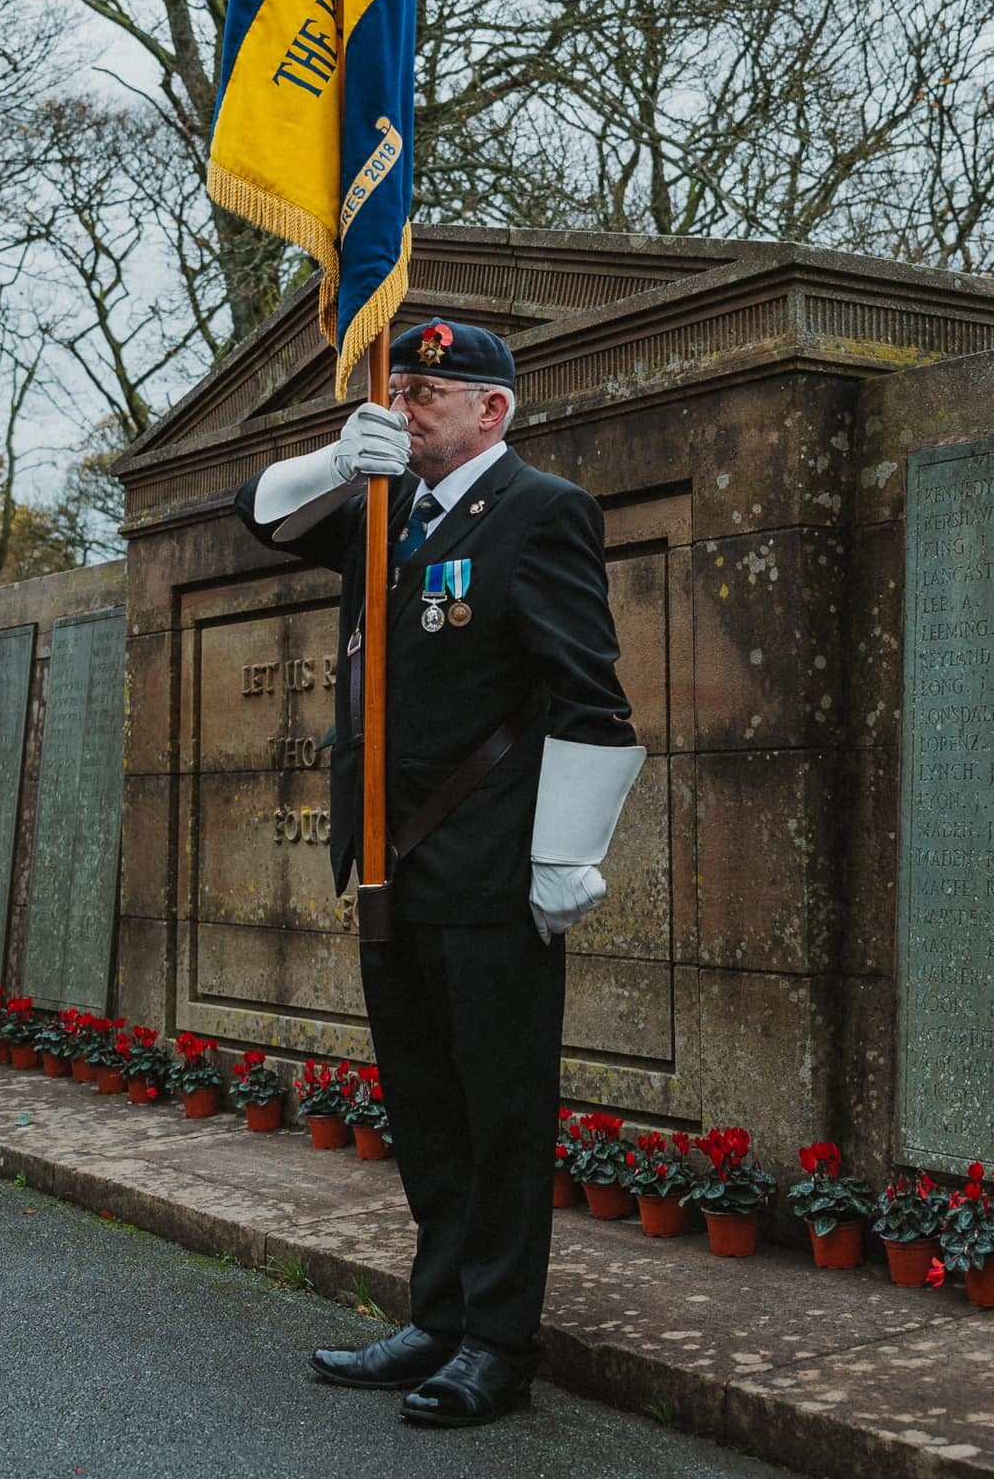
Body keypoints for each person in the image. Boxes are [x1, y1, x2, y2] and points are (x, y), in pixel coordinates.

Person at [236, 321, 642, 1428]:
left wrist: (565, 853)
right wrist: (333, 460)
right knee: (424, 1104)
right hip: (392, 869)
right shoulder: (378, 510)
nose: (402, 405)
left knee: (500, 1111)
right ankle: (440, 1310)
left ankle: (499, 1341)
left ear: (491, 410)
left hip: (493, 868)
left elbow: (593, 695)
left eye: (422, 390)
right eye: (395, 387)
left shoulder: (540, 510)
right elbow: (257, 515)